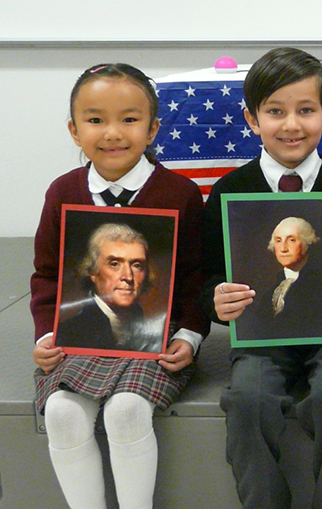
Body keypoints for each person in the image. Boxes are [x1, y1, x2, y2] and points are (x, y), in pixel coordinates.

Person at [30, 63, 209, 509]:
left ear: (152, 130)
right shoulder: (61, 192)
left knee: (127, 410)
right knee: (61, 412)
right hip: (79, 341)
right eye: (95, 120)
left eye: (129, 119)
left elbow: (193, 278)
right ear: (74, 130)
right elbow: (47, 275)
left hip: (154, 343)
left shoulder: (180, 193)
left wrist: (188, 336)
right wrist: (47, 335)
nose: (112, 132)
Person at [201, 47, 322, 508]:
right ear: (252, 119)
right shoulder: (229, 191)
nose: (291, 125)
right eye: (275, 112)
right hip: (262, 335)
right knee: (247, 399)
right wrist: (214, 298)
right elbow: (206, 272)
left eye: (306, 110)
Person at [234, 217, 322, 341]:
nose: (283, 248)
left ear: (308, 242)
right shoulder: (272, 290)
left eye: (291, 240)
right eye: (278, 241)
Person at [56, 223, 166, 353]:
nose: (128, 277)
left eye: (136, 265)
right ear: (92, 271)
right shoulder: (68, 334)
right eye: (114, 264)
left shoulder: (157, 329)